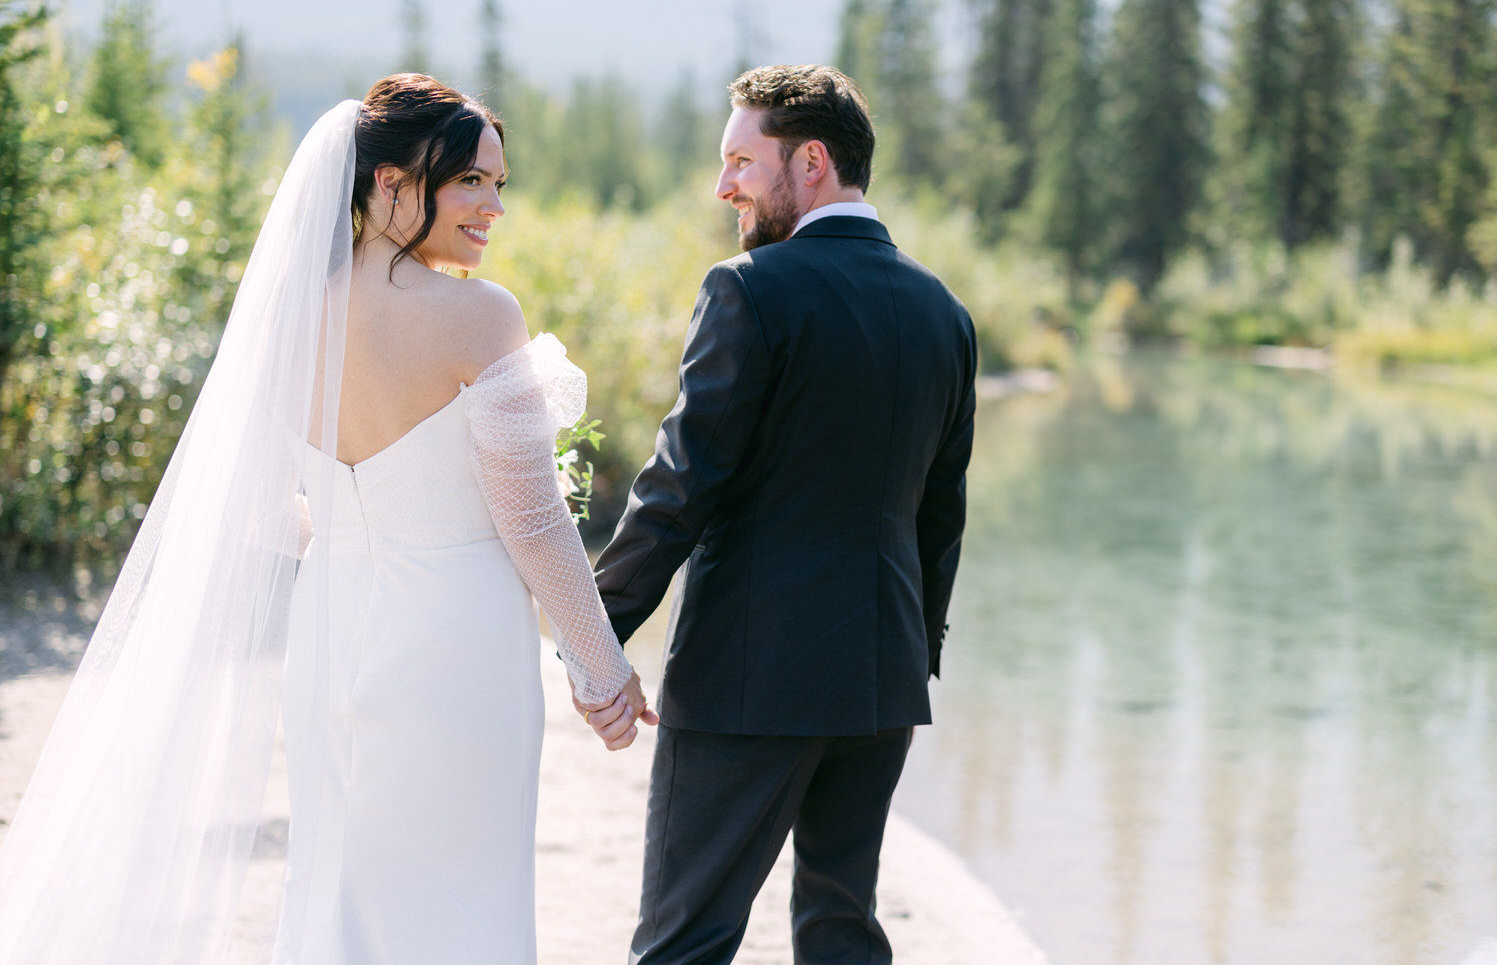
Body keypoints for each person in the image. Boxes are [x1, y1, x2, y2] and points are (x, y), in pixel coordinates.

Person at [0, 74, 654, 965]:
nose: (493, 205)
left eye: (499, 183)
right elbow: (535, 523)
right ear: (387, 182)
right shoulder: (479, 314)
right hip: (456, 650)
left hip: (330, 630)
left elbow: (266, 507)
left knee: (341, 872)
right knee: (459, 889)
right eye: (469, 180)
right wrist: (602, 668)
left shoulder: (290, 316)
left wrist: (359, 532)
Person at [584, 65, 977, 965]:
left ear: (810, 162)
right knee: (842, 933)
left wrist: (593, 632)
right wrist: (911, 651)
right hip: (881, 678)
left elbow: (682, 483)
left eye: (739, 161)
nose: (724, 186)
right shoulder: (944, 313)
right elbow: (941, 514)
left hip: (748, 678)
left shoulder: (750, 288)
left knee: (685, 939)